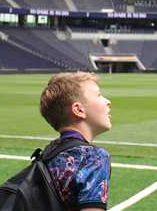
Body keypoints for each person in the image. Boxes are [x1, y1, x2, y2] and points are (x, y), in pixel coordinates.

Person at [39, 72, 112, 211]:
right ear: (79, 110)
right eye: (99, 95)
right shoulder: (93, 157)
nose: (108, 101)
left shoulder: (48, 152)